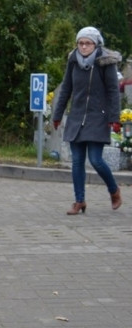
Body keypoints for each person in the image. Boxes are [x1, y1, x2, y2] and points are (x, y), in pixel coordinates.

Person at [51, 26, 122, 214]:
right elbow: (66, 88)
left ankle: (114, 190)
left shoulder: (105, 62)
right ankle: (79, 201)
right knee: (77, 161)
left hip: (98, 116)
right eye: (80, 43)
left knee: (96, 160)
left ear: (96, 44)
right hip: (76, 117)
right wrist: (57, 115)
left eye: (87, 43)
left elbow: (114, 92)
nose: (83, 47)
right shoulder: (73, 61)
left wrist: (115, 118)